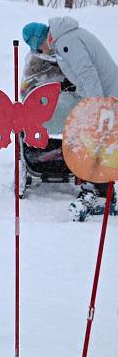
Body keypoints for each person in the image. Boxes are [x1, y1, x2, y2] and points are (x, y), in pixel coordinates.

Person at [23, 18, 118, 218]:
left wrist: (96, 109)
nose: (42, 52)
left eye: (38, 49)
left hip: (107, 98)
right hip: (100, 95)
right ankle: (102, 193)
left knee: (93, 139)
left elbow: (88, 74)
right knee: (91, 137)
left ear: (40, 41)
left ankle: (99, 194)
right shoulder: (64, 41)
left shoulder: (66, 42)